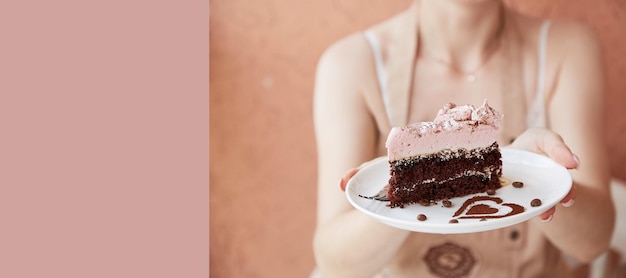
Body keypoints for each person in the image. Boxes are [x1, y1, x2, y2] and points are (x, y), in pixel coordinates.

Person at [312, 0, 615, 277]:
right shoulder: (349, 64)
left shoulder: (567, 47)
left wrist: (531, 175)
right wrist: (403, 193)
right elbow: (334, 262)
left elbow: (592, 243)